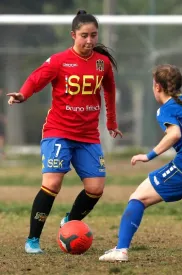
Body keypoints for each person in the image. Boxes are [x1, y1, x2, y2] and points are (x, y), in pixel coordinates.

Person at [6, 10, 123, 254]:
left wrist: (111, 123)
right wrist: (23, 94)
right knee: (52, 183)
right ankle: (33, 240)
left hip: (88, 136)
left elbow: (110, 91)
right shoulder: (60, 61)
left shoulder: (102, 63)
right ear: (73, 35)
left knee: (96, 188)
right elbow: (37, 78)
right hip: (58, 131)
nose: (89, 40)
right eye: (84, 35)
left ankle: (69, 220)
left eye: (93, 35)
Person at [98, 64, 182, 262]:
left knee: (138, 198)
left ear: (157, 87)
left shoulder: (166, 109)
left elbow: (174, 134)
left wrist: (149, 155)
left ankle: (121, 250)